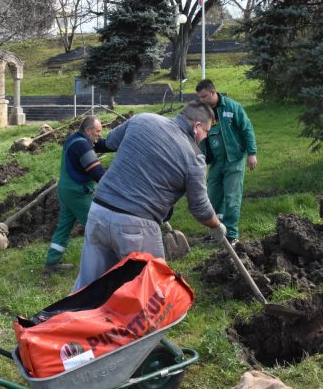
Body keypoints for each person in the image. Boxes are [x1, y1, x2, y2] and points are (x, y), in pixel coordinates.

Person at [72, 101, 227, 292]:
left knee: (87, 290)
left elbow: (111, 140)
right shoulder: (194, 158)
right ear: (196, 127)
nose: (204, 138)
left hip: (99, 212)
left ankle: (67, 319)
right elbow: (200, 208)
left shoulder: (143, 119)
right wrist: (216, 225)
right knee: (150, 294)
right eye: (206, 132)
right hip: (136, 227)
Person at [43, 115, 112, 278]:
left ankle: (51, 264)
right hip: (77, 192)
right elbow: (97, 173)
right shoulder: (82, 145)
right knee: (97, 227)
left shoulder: (77, 138)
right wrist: (117, 186)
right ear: (88, 130)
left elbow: (101, 144)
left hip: (66, 189)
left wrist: (120, 143)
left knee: (64, 227)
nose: (99, 135)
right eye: (97, 131)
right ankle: (106, 267)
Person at [195, 79, 257, 244]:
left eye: (204, 96)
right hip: (216, 162)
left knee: (231, 197)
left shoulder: (232, 107)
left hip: (234, 160)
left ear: (213, 93)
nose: (202, 100)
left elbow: (247, 129)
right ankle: (217, 232)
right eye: (199, 97)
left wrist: (252, 153)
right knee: (212, 198)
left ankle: (231, 234)